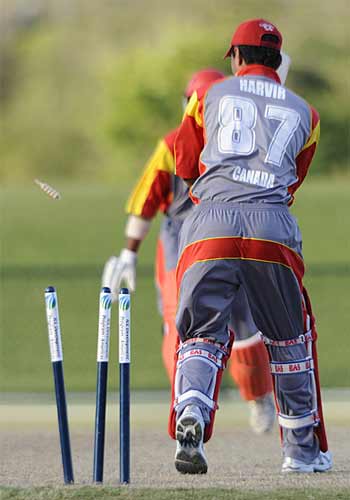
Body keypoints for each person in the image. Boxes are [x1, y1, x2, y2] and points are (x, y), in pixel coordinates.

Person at [102, 66, 304, 434]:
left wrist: (130, 250)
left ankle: (227, 399)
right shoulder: (187, 142)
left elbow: (145, 201)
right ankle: (192, 403)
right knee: (190, 321)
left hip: (213, 233)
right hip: (196, 235)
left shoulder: (196, 140)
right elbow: (148, 198)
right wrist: (129, 252)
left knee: (235, 325)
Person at [172, 18, 332, 474]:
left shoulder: (209, 94)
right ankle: (301, 454)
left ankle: (193, 413)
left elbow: (186, 161)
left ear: (237, 58)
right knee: (289, 341)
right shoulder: (309, 113)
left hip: (210, 221)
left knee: (202, 332)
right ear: (278, 61)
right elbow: (293, 179)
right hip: (271, 225)